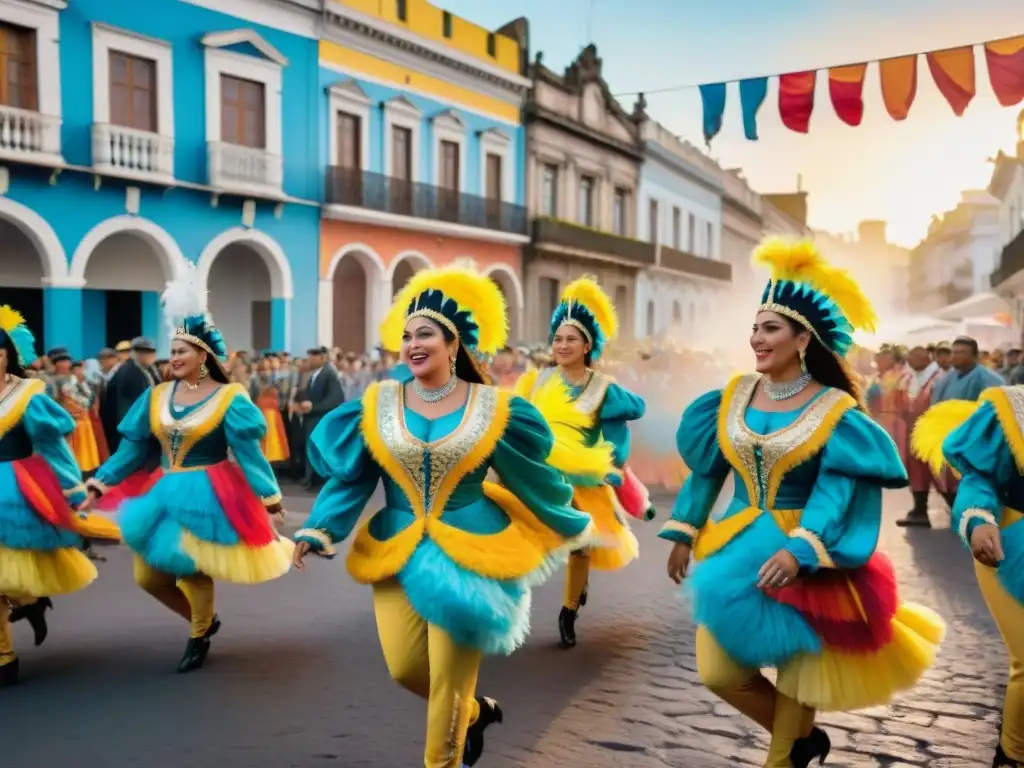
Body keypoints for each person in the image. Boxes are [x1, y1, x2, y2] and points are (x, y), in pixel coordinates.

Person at [293, 266, 602, 768]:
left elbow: (530, 476)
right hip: (397, 547)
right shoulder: (378, 405)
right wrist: (319, 528)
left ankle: (445, 755)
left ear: (452, 344)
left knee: (446, 682)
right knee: (405, 669)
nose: (413, 344)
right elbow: (353, 478)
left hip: (473, 551)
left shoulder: (494, 408)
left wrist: (570, 520)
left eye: (425, 335)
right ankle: (476, 712)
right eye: (407, 336)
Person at [660, 238, 945, 767]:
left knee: (797, 671)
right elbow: (709, 469)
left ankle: (785, 753)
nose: (756, 339)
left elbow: (836, 489)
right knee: (718, 672)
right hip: (732, 547)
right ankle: (799, 742)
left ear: (801, 338)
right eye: (755, 327)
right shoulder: (734, 394)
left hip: (807, 551)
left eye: (770, 329)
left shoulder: (834, 408)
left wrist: (801, 549)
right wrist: (683, 529)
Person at [80, 267, 293, 674]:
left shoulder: (230, 397)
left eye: (183, 351)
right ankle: (205, 621)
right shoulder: (157, 395)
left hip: (210, 491)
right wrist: (99, 483)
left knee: (190, 568)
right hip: (163, 490)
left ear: (204, 357)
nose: (174, 357)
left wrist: (270, 498)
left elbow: (248, 453)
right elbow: (131, 449)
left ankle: (197, 635)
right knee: (149, 577)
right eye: (172, 350)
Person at [513, 276, 649, 649]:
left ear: (588, 345)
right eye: (557, 338)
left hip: (583, 482)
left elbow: (616, 437)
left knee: (580, 542)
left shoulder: (603, 389)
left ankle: (568, 611)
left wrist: (608, 461)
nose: (562, 345)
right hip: (541, 476)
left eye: (571, 339)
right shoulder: (536, 383)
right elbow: (518, 423)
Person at [913, 388, 1024, 767]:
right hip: (1014, 545)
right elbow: (980, 479)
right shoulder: (1012, 408)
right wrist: (978, 519)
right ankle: (1013, 756)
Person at [0, 306, 98, 687]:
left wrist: (75, 494)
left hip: (17, 492)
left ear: (8, 354)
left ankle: (19, 623)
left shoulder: (28, 394)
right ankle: (9, 643)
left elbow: (55, 449)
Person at [929, 336, 1004, 510]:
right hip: (947, 438)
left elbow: (995, 412)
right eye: (954, 352)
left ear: (975, 355)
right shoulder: (946, 378)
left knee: (973, 482)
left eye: (962, 353)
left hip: (975, 441)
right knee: (945, 481)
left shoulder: (989, 379)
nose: (955, 356)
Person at [896, 344, 943, 528]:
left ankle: (962, 512)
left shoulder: (938, 377)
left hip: (932, 433)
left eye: (913, 357)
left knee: (942, 475)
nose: (909, 360)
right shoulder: (911, 377)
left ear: (925, 358)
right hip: (914, 432)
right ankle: (920, 511)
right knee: (916, 473)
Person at [297, 345, 344, 490]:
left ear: (323, 358)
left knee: (321, 451)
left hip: (321, 418)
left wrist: (313, 406)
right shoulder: (313, 375)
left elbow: (335, 399)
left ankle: (322, 481)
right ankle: (312, 478)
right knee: (312, 450)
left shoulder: (329, 374)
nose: (310, 359)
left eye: (313, 356)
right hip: (311, 418)